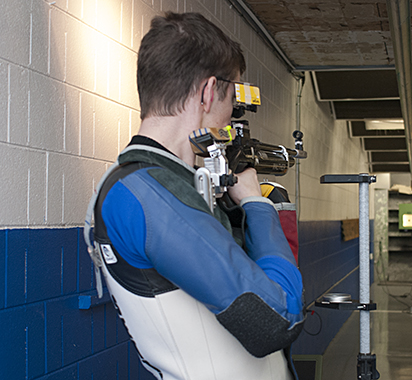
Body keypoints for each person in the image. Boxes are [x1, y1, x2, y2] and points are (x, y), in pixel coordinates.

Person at [85, 12, 305, 380]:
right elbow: (276, 319)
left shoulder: (167, 186)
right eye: (232, 96)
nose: (232, 112)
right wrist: (256, 204)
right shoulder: (142, 194)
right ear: (206, 92)